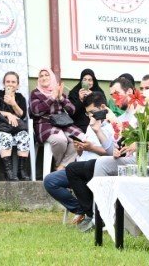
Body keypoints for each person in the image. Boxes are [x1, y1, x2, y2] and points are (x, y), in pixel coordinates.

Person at [45, 91, 116, 230]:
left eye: (92, 112)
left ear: (103, 108)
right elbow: (86, 149)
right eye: (87, 113)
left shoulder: (113, 126)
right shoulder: (91, 125)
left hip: (98, 168)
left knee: (74, 170)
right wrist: (80, 148)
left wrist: (92, 148)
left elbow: (111, 153)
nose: (90, 116)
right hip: (80, 167)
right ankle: (82, 209)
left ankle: (92, 213)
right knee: (50, 181)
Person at [88, 74, 149, 178]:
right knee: (102, 163)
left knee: (139, 171)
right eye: (141, 88)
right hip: (139, 160)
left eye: (148, 88)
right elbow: (128, 140)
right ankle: (103, 194)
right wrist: (119, 150)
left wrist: (137, 145)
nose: (143, 92)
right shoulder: (140, 111)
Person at [31, 67, 79, 171]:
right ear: (38, 79)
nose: (44, 78)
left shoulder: (58, 91)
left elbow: (72, 110)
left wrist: (61, 98)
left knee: (79, 139)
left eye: (46, 75)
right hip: (44, 123)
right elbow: (36, 111)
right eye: (41, 76)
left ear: (52, 77)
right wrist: (52, 98)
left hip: (62, 123)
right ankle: (59, 165)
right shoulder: (35, 93)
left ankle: (61, 167)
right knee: (60, 140)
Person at [0, 71, 31, 181]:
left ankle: (21, 171)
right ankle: (8, 172)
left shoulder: (20, 97)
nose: (10, 84)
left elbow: (21, 115)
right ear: (4, 83)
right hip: (1, 128)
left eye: (13, 82)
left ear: (17, 85)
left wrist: (13, 103)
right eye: (8, 81)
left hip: (16, 128)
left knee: (24, 136)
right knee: (5, 137)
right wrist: (8, 114)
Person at [67, 68, 105, 133]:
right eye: (84, 80)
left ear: (93, 81)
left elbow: (104, 112)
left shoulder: (99, 92)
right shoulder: (74, 93)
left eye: (90, 80)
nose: (87, 82)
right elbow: (71, 113)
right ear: (81, 81)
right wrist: (80, 100)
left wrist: (93, 97)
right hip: (79, 125)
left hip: (96, 123)